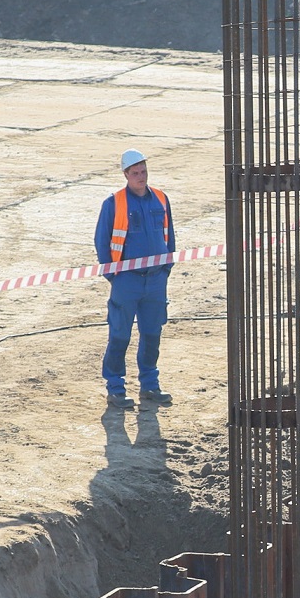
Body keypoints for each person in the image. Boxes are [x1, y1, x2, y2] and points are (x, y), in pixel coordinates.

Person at [94, 149, 174, 408]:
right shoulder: (114, 203)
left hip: (155, 280)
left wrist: (165, 267)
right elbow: (101, 241)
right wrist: (113, 275)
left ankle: (150, 385)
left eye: (144, 172)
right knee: (120, 335)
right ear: (126, 175)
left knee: (152, 333)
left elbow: (169, 235)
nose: (141, 177)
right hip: (126, 280)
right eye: (136, 173)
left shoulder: (161, 198)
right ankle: (115, 388)